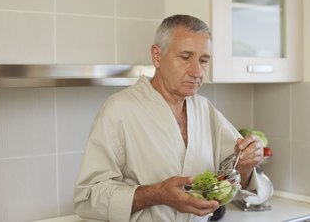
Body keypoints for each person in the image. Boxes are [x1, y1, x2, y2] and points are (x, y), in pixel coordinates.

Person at [74, 14, 264, 222]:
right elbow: (88, 198)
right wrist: (156, 194)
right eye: (185, 57)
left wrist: (246, 164)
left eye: (203, 60)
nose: (197, 71)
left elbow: (233, 175)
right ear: (157, 55)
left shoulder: (204, 108)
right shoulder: (119, 110)